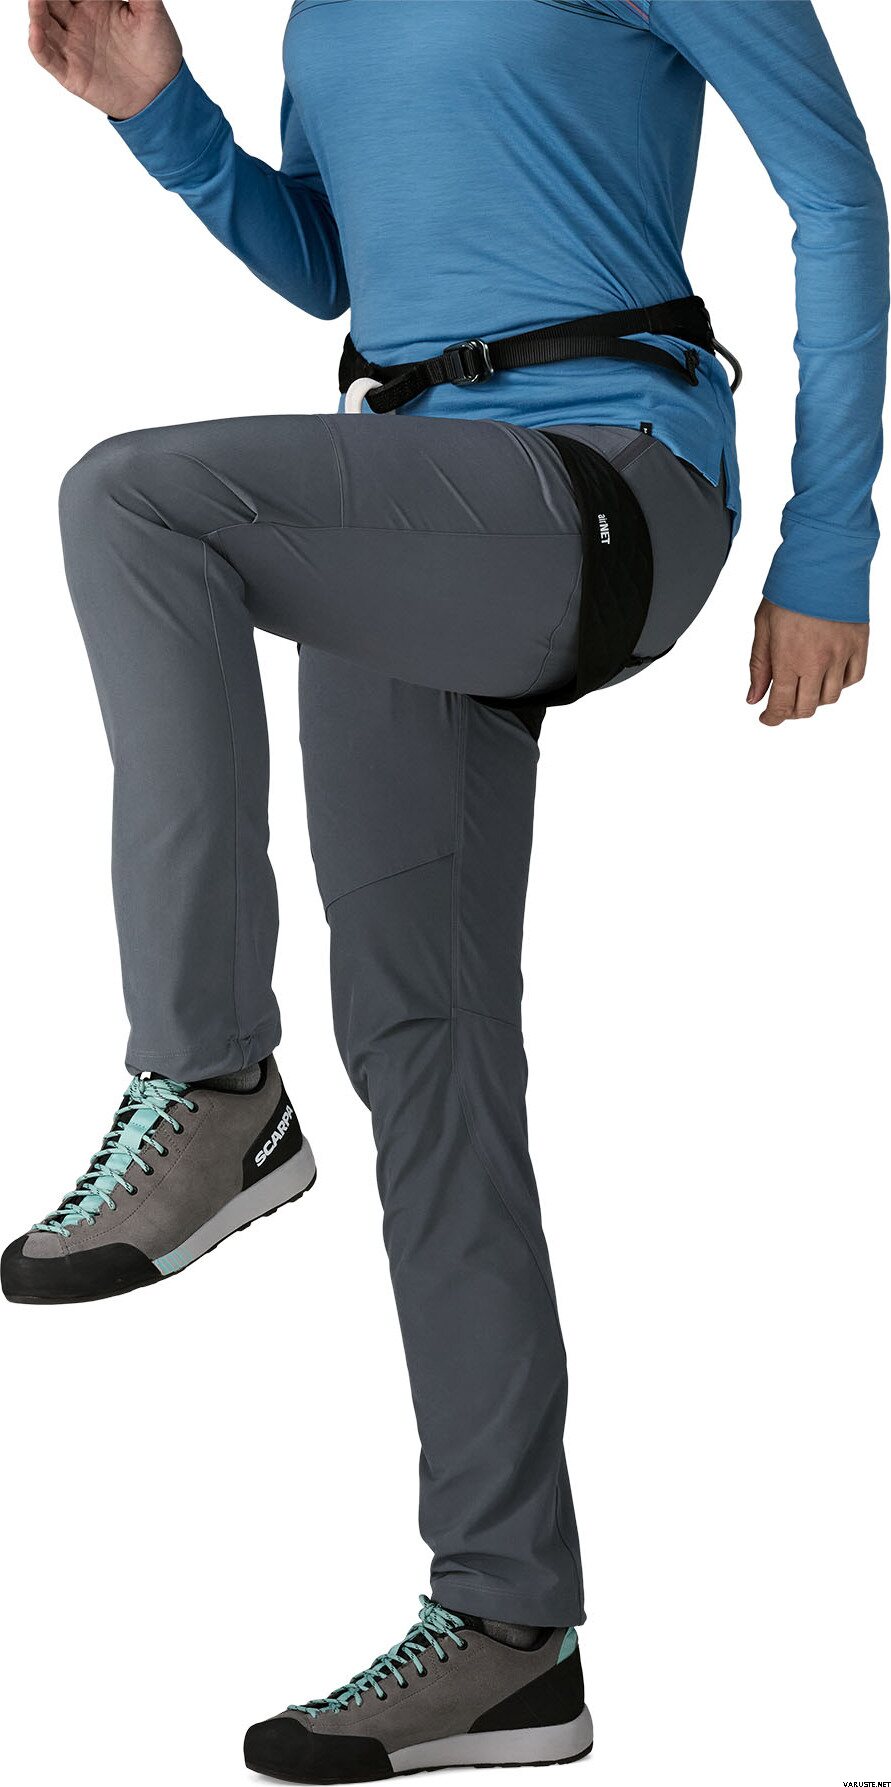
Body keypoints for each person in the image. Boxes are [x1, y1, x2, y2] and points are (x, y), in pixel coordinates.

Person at [5, 1, 886, 1780]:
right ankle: (510, 1634)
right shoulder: (327, 8)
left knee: (134, 500)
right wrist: (164, 115)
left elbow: (837, 195)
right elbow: (336, 266)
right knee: (428, 1055)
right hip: (407, 501)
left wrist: (829, 538)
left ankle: (210, 1082)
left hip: (609, 479)